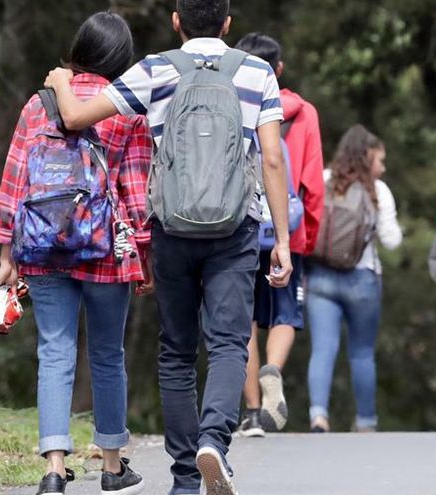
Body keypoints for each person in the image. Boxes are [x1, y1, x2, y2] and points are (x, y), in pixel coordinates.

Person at [43, 1, 293, 494]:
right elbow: (271, 159)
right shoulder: (258, 72)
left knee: (177, 352)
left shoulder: (155, 69)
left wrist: (59, 81)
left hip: (172, 229)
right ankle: (214, 442)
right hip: (236, 229)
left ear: (176, 21)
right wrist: (281, 239)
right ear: (228, 24)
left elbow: (73, 117)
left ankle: (184, 479)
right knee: (228, 343)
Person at [0, 12, 151, 495]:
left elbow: (15, 179)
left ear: (79, 48)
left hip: (43, 247)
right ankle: (112, 466)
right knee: (107, 354)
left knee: (54, 352)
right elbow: (136, 193)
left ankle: (54, 470)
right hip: (106, 251)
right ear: (121, 59)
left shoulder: (37, 105)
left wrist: (6, 254)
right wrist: (143, 254)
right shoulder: (125, 109)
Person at [233, 32, 326, 436]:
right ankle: (274, 369)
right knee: (285, 313)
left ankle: (253, 412)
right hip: (287, 229)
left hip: (240, 227)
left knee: (244, 320)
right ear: (280, 69)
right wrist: (308, 235)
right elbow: (313, 183)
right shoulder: (304, 113)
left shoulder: (233, 104)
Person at [306, 125, 402, 433]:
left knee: (323, 349)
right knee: (361, 353)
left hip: (320, 276)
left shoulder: (323, 178)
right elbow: (392, 241)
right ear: (368, 157)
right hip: (362, 280)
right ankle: (366, 422)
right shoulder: (379, 191)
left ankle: (318, 415)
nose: (382, 168)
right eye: (380, 161)